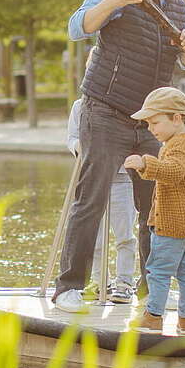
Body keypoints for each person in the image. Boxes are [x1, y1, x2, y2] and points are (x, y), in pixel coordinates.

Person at [54, 0, 185, 313]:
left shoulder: (180, 7)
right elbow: (76, 28)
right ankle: (69, 287)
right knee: (92, 199)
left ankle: (152, 289)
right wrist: (113, 3)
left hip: (151, 122)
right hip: (104, 109)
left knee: (157, 206)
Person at [122, 87, 185, 335]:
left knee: (158, 272)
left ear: (176, 118)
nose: (151, 129)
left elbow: (173, 172)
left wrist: (145, 163)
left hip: (172, 222)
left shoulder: (177, 146)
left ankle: (153, 317)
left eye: (155, 122)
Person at [66, 98, 139, 303]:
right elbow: (71, 138)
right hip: (93, 176)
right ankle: (100, 281)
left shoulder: (125, 102)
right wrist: (80, 145)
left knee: (124, 234)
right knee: (95, 236)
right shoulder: (80, 106)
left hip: (122, 178)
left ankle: (124, 282)